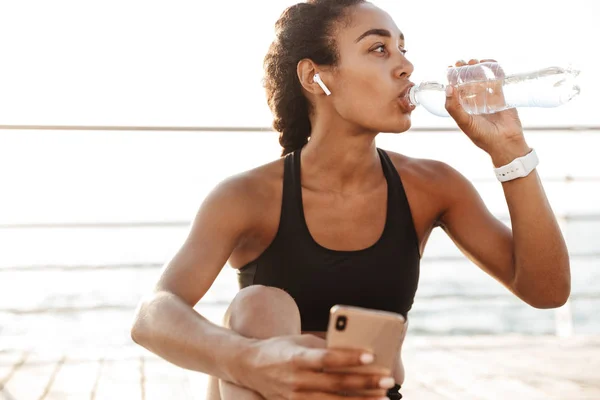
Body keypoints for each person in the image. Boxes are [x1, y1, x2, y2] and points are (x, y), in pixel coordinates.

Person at [130, 1, 571, 399]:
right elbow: (153, 316)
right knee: (259, 306)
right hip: (259, 390)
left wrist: (510, 152)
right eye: (379, 49)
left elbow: (546, 291)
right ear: (315, 77)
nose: (406, 66)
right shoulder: (247, 196)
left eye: (402, 49)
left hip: (370, 395)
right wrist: (256, 363)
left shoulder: (432, 186)